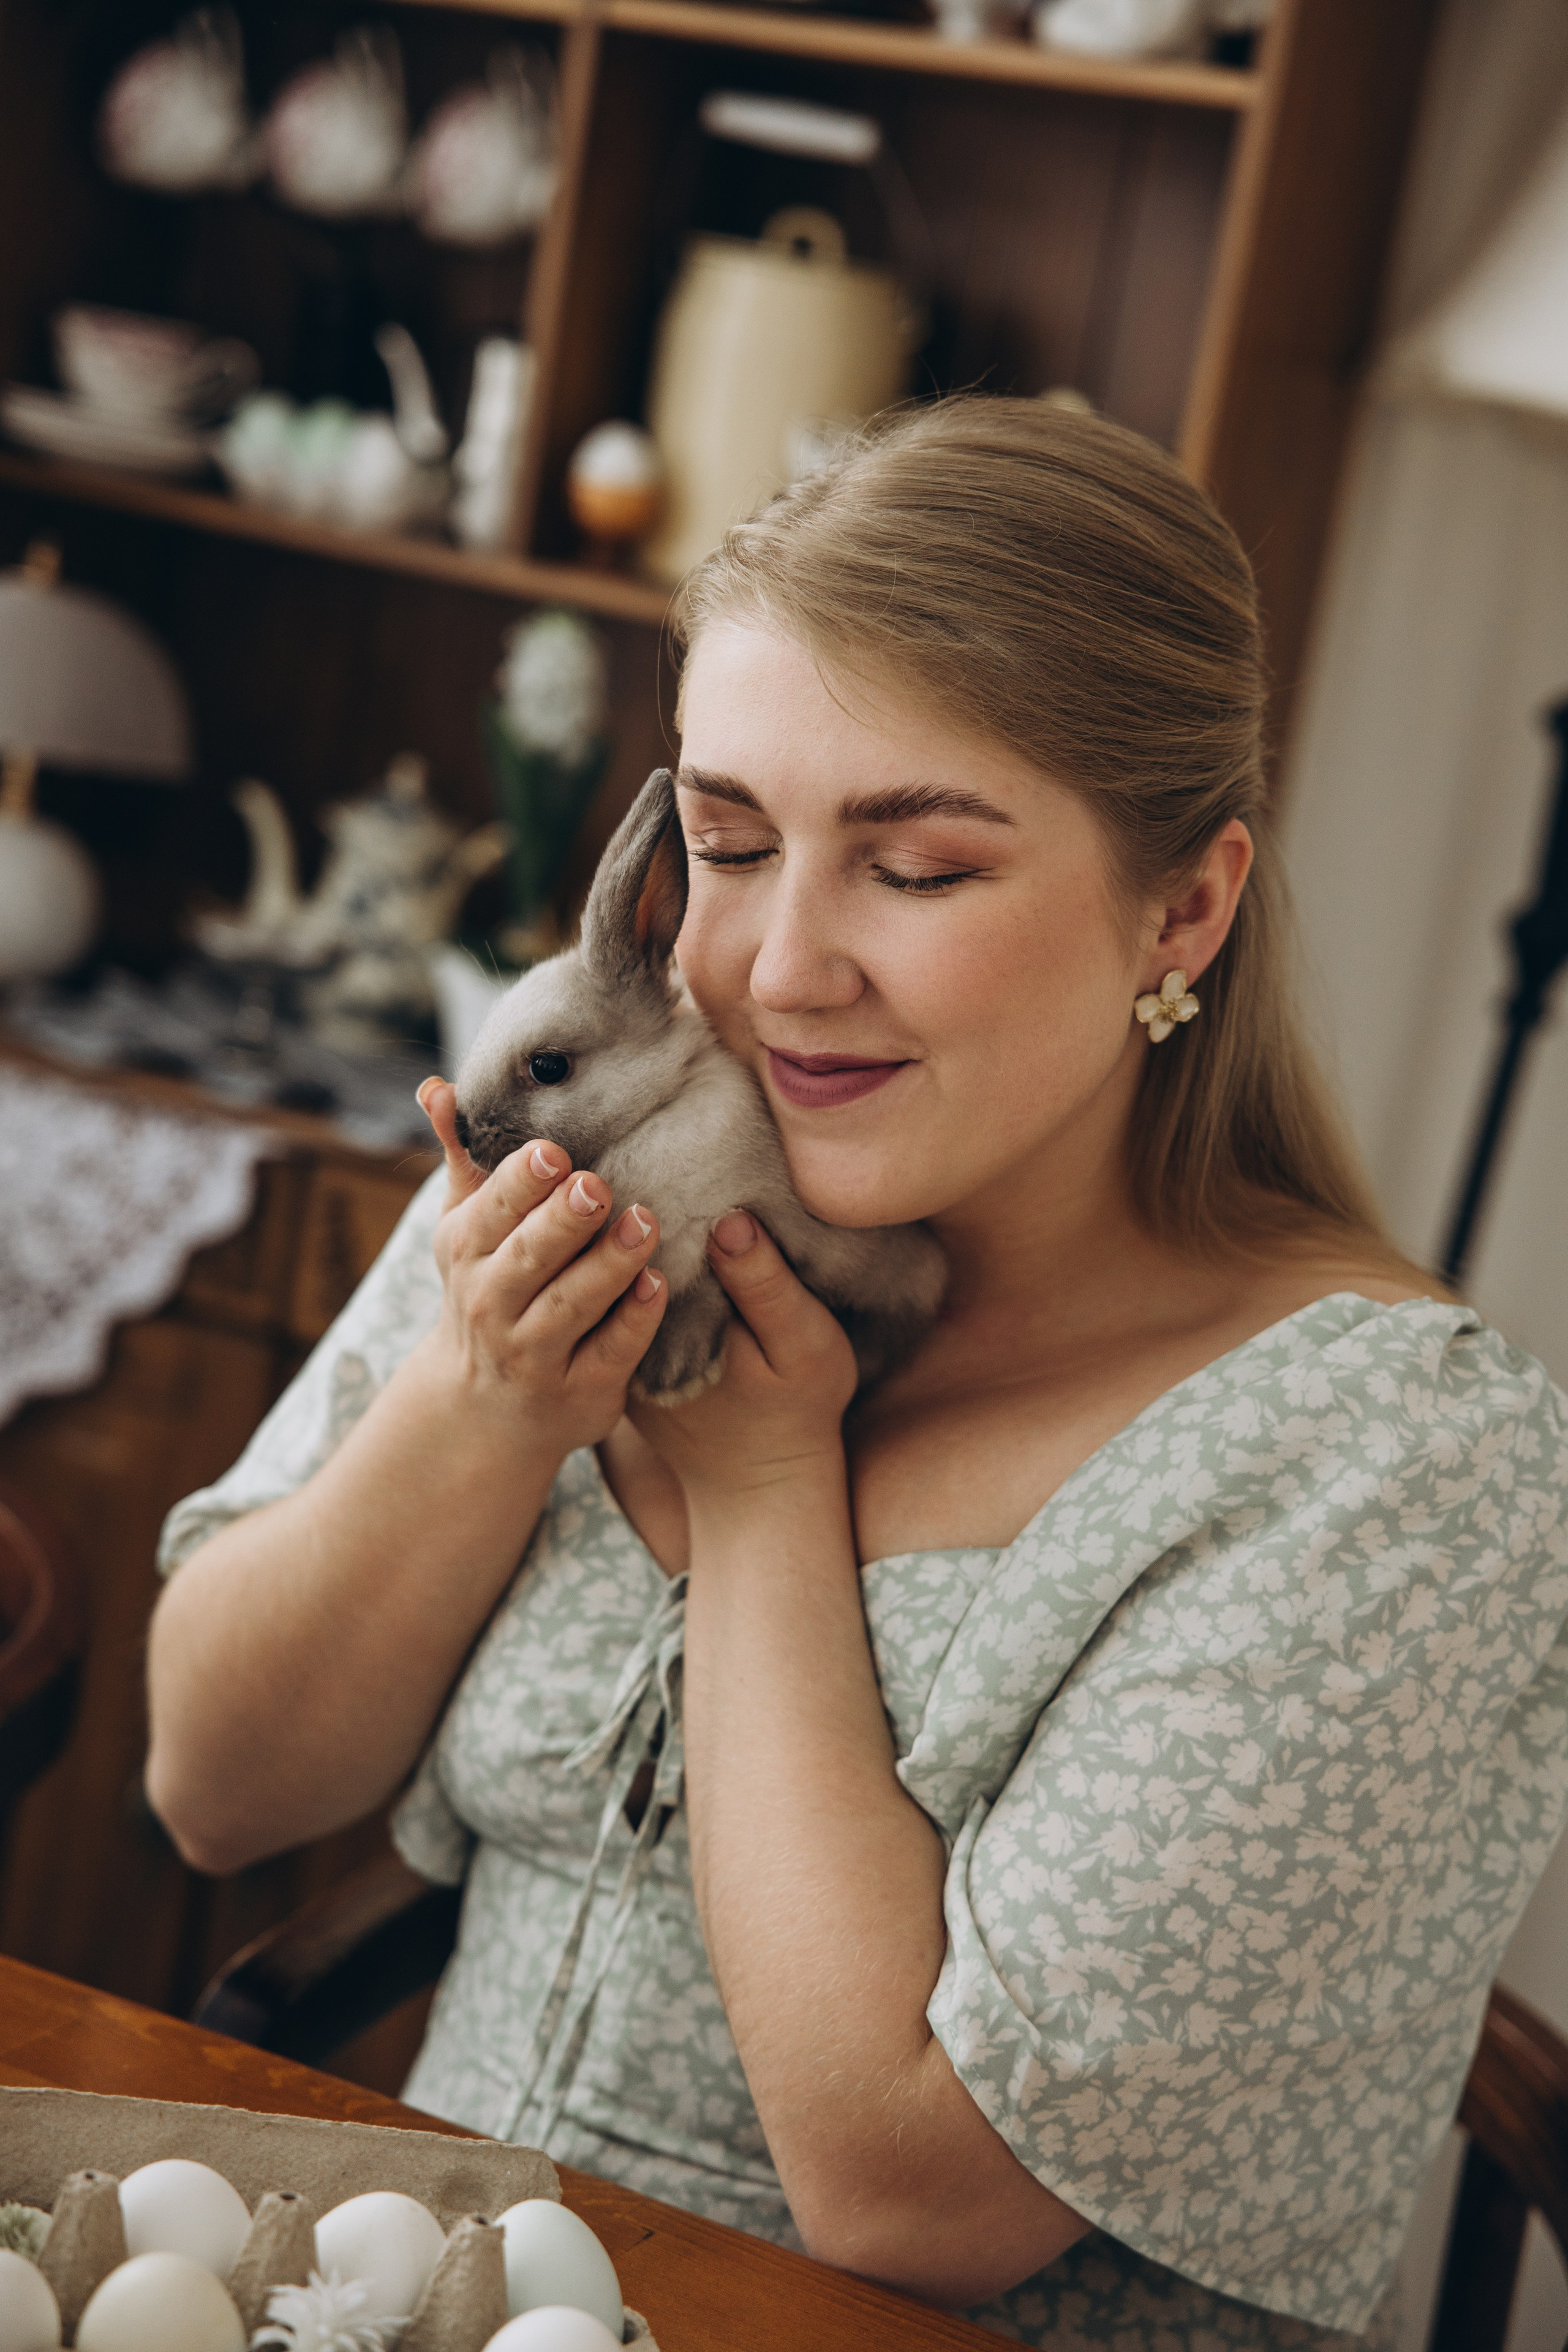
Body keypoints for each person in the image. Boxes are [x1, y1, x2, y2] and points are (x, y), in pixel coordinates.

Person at [147, 399, 1568, 2351]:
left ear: (1183, 908)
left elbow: (907, 2194)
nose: (777, 969)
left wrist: (758, 1488)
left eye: (914, 869)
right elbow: (213, 1785)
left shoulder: (1396, 1468)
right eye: (730, 844)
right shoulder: (596, 1126)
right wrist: (485, 1402)